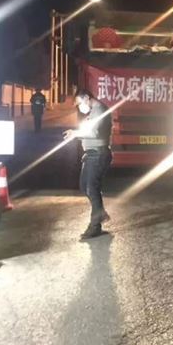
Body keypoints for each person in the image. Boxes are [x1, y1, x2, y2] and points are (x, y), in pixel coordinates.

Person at [64, 89, 112, 240]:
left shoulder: (100, 110)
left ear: (86, 98)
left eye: (79, 103)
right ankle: (100, 213)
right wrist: (75, 133)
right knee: (85, 186)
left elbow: (95, 132)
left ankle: (95, 226)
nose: (80, 107)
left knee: (91, 188)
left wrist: (76, 134)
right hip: (91, 154)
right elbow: (89, 130)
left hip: (97, 154)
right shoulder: (93, 111)